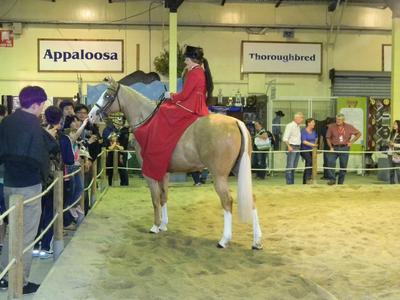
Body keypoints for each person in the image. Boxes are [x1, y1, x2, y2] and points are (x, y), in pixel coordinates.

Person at [134, 45, 213, 181]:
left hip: (191, 105)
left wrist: (170, 95)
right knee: (166, 106)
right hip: (196, 103)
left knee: (164, 109)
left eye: (186, 60)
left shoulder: (194, 72)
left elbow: (185, 94)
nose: (185, 62)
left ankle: (161, 145)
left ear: (193, 60)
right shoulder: (199, 71)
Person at [0, 86, 50, 294]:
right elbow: (41, 155)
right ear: (36, 104)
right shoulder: (33, 124)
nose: (43, 109)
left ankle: (4, 275)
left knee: (12, 232)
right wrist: (45, 176)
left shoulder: (7, 121)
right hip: (29, 185)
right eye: (43, 105)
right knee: (27, 236)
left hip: (9, 183)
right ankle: (20, 280)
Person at [34, 106, 62, 259]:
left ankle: (35, 245)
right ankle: (45, 245)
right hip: (52, 179)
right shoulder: (57, 135)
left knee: (38, 212)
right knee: (50, 212)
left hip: (39, 177)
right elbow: (56, 152)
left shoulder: (38, 131)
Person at [326, 113, 361, 185]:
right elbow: (328, 137)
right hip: (334, 147)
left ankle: (340, 182)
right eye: (337, 119)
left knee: (343, 165)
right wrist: (331, 147)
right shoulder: (331, 127)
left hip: (344, 147)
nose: (338, 121)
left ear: (343, 120)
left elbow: (359, 133)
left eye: (339, 120)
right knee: (330, 162)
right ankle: (332, 179)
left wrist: (351, 142)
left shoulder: (349, 126)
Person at [282, 112, 304, 184]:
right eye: (301, 118)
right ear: (296, 118)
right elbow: (285, 138)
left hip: (297, 147)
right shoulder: (290, 125)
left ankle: (291, 182)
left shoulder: (298, 126)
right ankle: (289, 183)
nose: (302, 120)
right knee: (290, 166)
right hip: (292, 146)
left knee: (294, 166)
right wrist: (289, 146)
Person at [300, 118, 318, 184]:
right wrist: (313, 145)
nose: (314, 124)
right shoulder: (303, 131)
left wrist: (314, 145)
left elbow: (316, 138)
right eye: (313, 122)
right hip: (304, 149)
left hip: (312, 150)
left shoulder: (314, 131)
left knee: (311, 163)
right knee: (309, 161)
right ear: (308, 123)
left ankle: (306, 180)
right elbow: (304, 141)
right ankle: (307, 179)